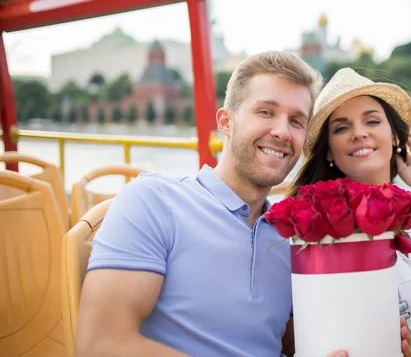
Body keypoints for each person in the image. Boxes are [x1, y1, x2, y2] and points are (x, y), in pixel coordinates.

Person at [76, 51, 326, 357]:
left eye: (296, 121)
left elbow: (290, 343)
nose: (282, 131)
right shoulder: (154, 201)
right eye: (265, 112)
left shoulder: (291, 235)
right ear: (226, 121)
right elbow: (100, 346)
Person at [290, 68, 411, 357]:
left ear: (395, 135)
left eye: (372, 121)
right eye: (342, 128)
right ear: (329, 151)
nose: (359, 133)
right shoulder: (315, 225)